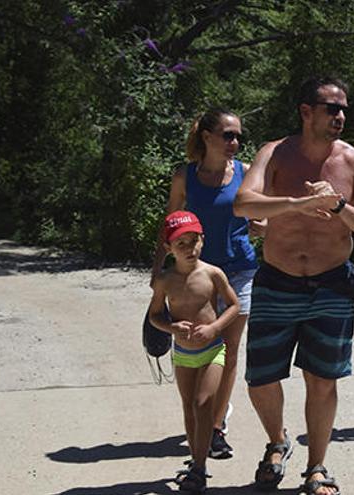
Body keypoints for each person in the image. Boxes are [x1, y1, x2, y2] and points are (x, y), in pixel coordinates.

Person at [233, 75, 354, 495]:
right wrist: (299, 204)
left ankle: (317, 466)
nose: (339, 116)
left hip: (332, 284)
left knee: (322, 379)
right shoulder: (275, 153)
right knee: (260, 379)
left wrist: (338, 206)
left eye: (343, 110)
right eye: (331, 108)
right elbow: (244, 202)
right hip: (277, 280)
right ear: (306, 112)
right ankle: (278, 441)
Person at [151, 108, 263, 460]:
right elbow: (168, 223)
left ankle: (215, 427)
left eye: (238, 137)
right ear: (207, 137)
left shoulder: (244, 172)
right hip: (194, 275)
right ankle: (201, 414)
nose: (235, 142)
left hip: (239, 270)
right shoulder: (185, 176)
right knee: (196, 346)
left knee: (228, 352)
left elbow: (258, 219)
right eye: (228, 135)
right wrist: (158, 268)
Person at [148, 211, 240, 493]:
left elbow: (234, 306)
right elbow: (154, 317)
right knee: (189, 406)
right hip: (183, 352)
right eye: (181, 244)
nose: (189, 249)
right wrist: (172, 327)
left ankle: (199, 468)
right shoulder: (164, 281)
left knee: (203, 404)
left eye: (193, 241)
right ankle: (195, 460)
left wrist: (214, 329)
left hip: (213, 350)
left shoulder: (213, 273)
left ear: (203, 239)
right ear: (168, 248)